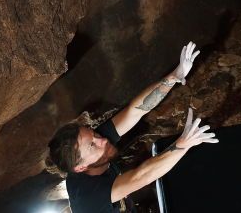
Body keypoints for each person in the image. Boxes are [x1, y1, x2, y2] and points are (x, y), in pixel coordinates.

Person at [47, 42, 217, 212]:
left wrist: (174, 76)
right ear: (80, 168)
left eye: (93, 133)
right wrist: (182, 144)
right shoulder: (88, 197)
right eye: (93, 145)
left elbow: (134, 111)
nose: (102, 139)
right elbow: (139, 177)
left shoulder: (92, 145)